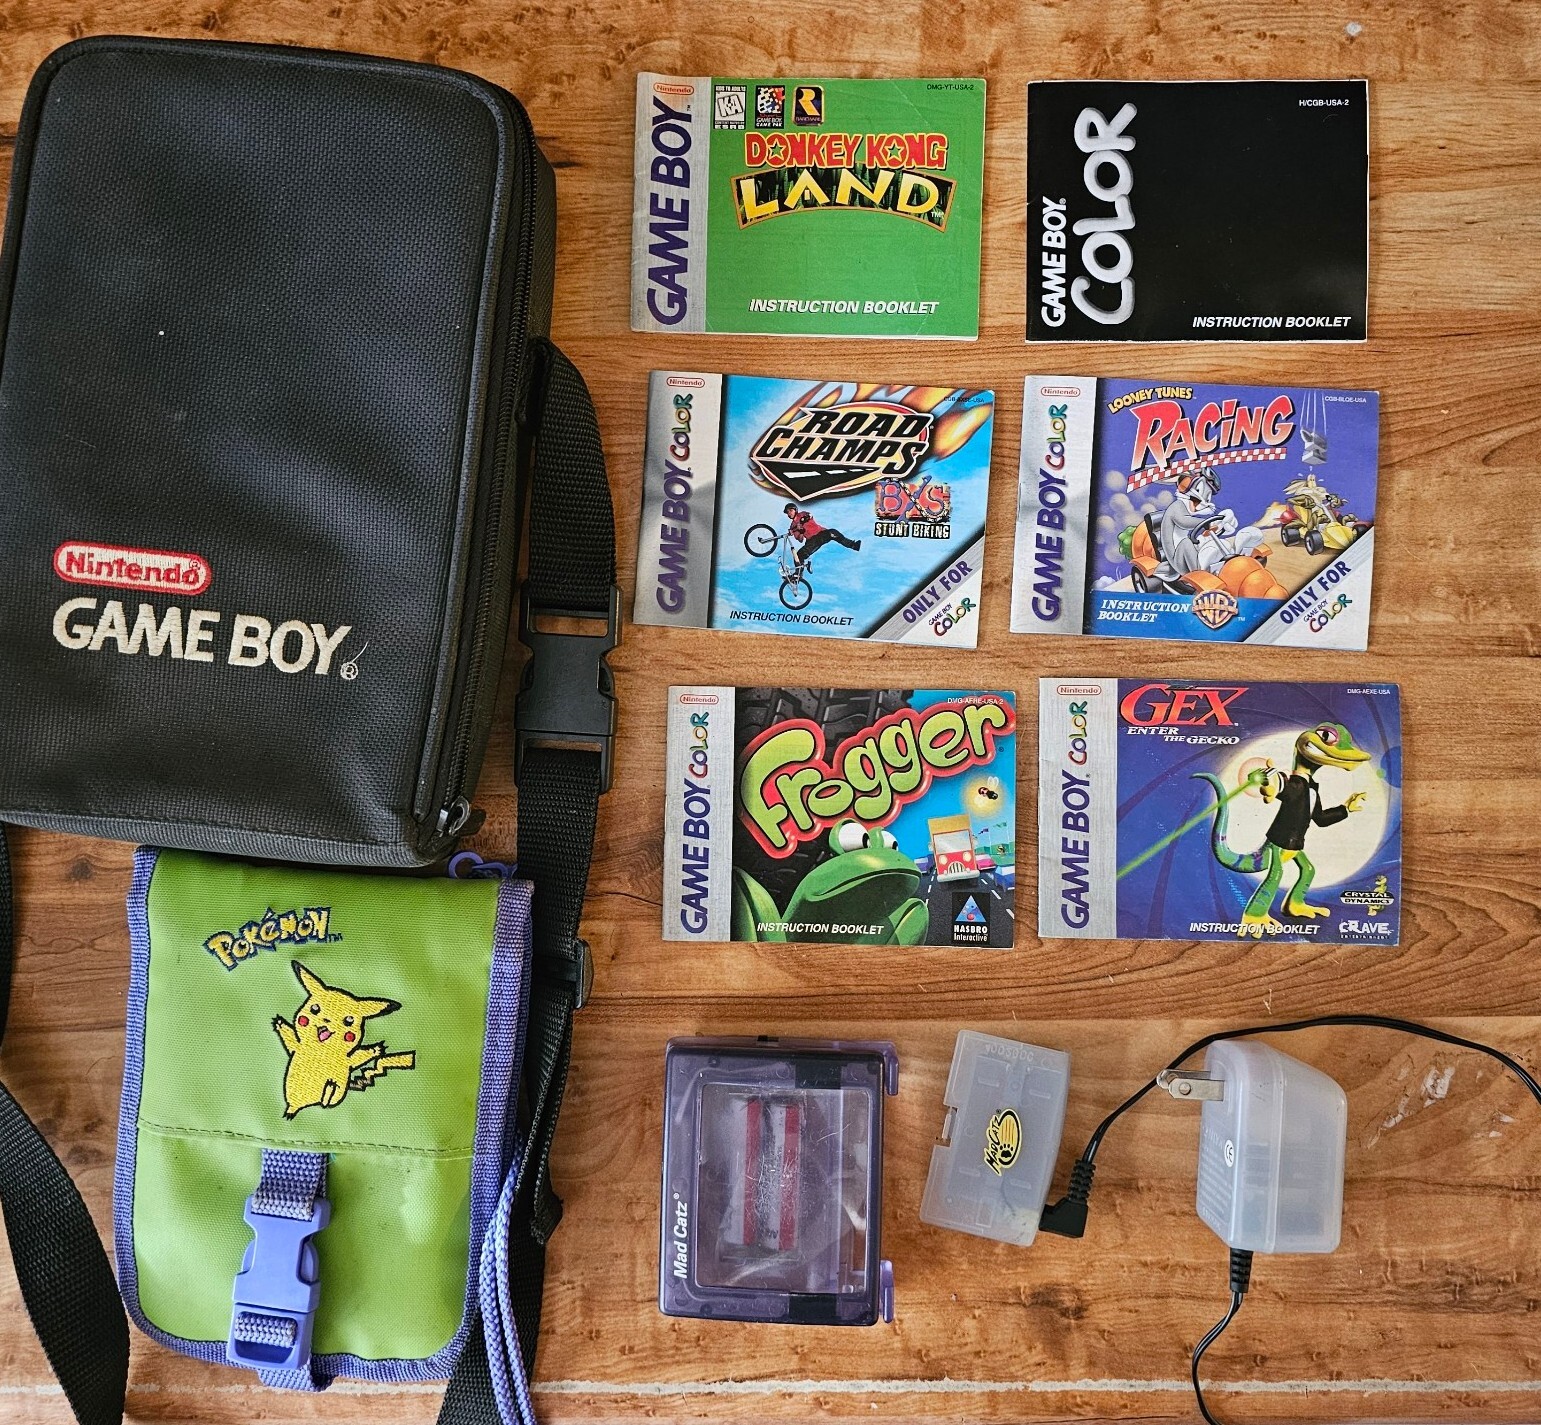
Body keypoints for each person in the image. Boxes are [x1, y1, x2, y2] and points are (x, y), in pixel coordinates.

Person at [784, 502, 861, 567]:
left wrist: (803, 520)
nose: (789, 513)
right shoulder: (792, 526)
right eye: (787, 512)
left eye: (791, 510)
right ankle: (798, 575)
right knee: (799, 555)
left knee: (832, 532)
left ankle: (853, 545)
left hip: (821, 533)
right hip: (812, 541)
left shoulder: (802, 514)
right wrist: (801, 531)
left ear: (795, 510)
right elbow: (800, 540)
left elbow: (810, 515)